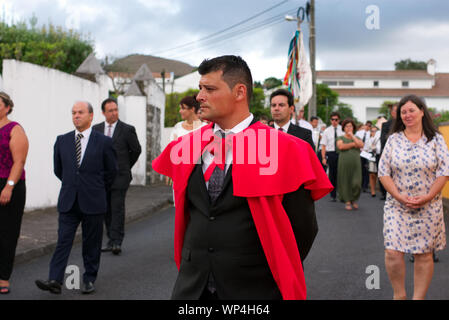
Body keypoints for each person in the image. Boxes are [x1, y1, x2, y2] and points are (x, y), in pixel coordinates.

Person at [152, 55, 332, 300]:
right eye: (199, 89)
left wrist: (267, 268)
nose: (199, 97)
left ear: (239, 92)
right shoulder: (187, 146)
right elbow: (189, 214)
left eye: (210, 89)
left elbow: (303, 228)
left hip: (256, 289)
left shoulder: (287, 149)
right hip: (193, 287)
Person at [35, 101, 117, 295]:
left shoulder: (104, 142)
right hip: (69, 200)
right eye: (73, 113)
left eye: (80, 112)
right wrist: (73, 184)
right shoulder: (61, 140)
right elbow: (59, 170)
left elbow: (111, 171)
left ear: (91, 116)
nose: (76, 116)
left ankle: (89, 279)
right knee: (63, 240)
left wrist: (94, 187)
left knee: (92, 242)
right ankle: (54, 279)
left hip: (93, 201)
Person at [378, 94, 449, 300]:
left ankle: (418, 298)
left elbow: (444, 172)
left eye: (411, 110)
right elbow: (383, 172)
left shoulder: (436, 139)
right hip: (397, 204)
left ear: (421, 111)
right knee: (392, 251)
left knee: (424, 254)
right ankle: (399, 295)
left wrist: (428, 196)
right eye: (403, 112)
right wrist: (399, 196)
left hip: (428, 205)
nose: (407, 115)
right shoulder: (393, 140)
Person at [93, 98, 141, 255]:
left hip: (120, 176)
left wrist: (126, 166)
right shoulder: (96, 129)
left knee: (117, 208)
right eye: (110, 110)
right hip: (102, 177)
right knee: (106, 209)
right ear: (103, 113)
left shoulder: (127, 129)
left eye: (116, 110)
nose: (114, 113)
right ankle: (110, 239)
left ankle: (117, 242)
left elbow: (136, 150)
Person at [0, 92, 29, 295]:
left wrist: (9, 186)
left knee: (7, 233)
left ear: (7, 107)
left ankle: (3, 278)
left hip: (9, 184)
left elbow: (19, 162)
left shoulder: (15, 129)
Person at [336, 119, 364, 210]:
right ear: (344, 128)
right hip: (344, 162)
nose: (349, 128)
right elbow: (341, 146)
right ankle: (347, 201)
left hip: (355, 162)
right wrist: (353, 144)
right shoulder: (340, 138)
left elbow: (361, 145)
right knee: (345, 181)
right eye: (347, 126)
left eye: (351, 126)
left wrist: (352, 136)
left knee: (357, 182)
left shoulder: (357, 137)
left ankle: (354, 199)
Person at [320, 112, 344, 201]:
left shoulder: (342, 130)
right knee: (332, 174)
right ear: (330, 120)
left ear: (339, 120)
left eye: (336, 120)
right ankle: (333, 195)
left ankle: (342, 194)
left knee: (341, 174)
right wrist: (323, 157)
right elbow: (323, 145)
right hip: (331, 153)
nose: (334, 121)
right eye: (332, 120)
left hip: (341, 153)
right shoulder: (327, 131)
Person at [379, 103, 398, 200]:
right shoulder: (386, 124)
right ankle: (384, 192)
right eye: (396, 111)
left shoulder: (406, 124)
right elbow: (383, 139)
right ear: (392, 113)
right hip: (388, 152)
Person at [366, 126, 381, 197]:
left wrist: (374, 147)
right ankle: (373, 190)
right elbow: (365, 148)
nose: (373, 132)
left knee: (378, 174)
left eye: (375, 131)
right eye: (372, 131)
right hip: (371, 157)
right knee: (372, 174)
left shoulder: (379, 139)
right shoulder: (368, 139)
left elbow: (379, 149)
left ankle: (380, 189)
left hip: (378, 157)